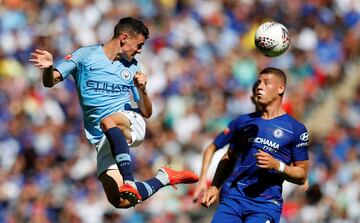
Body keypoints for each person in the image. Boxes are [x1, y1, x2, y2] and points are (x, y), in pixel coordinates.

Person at [29, 17, 198, 209]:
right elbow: (49, 81)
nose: (140, 50)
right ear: (124, 38)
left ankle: (130, 181)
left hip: (128, 122)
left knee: (108, 121)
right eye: (139, 44)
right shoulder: (85, 56)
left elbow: (146, 112)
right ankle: (164, 177)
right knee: (121, 200)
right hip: (103, 136)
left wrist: (142, 90)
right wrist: (48, 68)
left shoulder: (133, 66)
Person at [201, 67, 309, 223]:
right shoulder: (244, 122)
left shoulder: (296, 129)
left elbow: (302, 175)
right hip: (234, 199)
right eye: (259, 82)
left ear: (281, 88)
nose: (259, 87)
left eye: (266, 83)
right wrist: (215, 186)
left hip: (265, 204)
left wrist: (277, 165)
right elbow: (229, 157)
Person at [193, 84, 261, 203]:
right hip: (232, 189)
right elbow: (211, 147)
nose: (261, 97)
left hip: (259, 192)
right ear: (252, 98)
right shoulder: (241, 123)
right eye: (258, 94)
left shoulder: (283, 127)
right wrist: (203, 178)